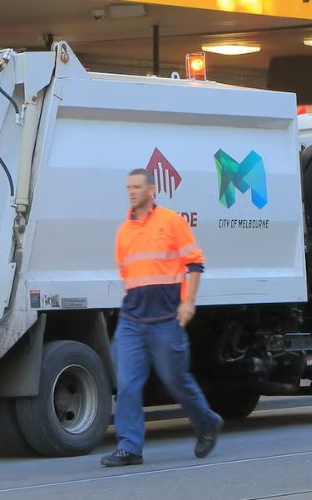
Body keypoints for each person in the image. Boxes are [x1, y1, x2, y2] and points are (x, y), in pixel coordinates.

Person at [101, 169, 223, 467]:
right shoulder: (124, 231)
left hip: (167, 318)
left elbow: (195, 264)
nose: (131, 191)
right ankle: (129, 447)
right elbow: (127, 274)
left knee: (175, 379)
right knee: (128, 384)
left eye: (137, 186)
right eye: (128, 186)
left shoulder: (171, 222)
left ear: (151, 189)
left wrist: (188, 303)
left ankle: (207, 422)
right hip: (132, 320)